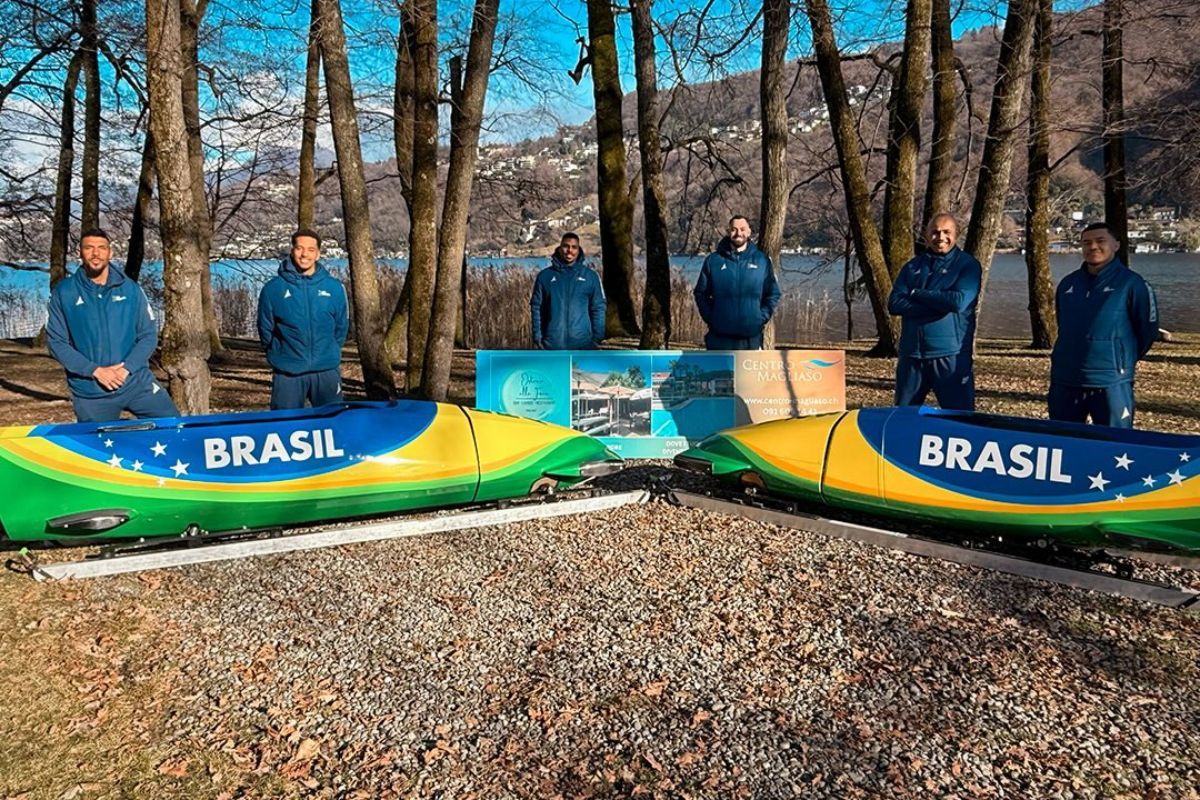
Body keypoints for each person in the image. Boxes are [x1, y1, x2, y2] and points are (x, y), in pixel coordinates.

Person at [46, 228, 180, 422]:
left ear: (110, 252)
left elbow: (148, 335)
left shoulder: (131, 289)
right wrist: (96, 371)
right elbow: (57, 343)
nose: (95, 253)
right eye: (89, 248)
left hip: (136, 382)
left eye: (101, 248)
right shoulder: (63, 293)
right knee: (96, 450)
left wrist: (126, 368)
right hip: (91, 391)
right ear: (79, 253)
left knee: (172, 428)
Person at [1048, 222, 1158, 428]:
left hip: (1111, 381)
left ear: (1116, 245)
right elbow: (1063, 324)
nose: (1093, 247)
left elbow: (1147, 330)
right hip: (1066, 378)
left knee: (1114, 446)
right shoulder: (1068, 284)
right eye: (1086, 243)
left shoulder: (1132, 284)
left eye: (1100, 241)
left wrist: (1120, 358)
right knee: (1063, 445)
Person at [886, 213, 982, 411]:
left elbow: (957, 302)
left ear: (956, 234)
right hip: (912, 354)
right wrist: (938, 304)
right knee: (902, 417)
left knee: (960, 420)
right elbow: (894, 303)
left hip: (949, 354)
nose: (941, 237)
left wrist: (916, 293)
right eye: (935, 232)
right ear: (927, 234)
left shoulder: (967, 266)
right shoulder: (913, 266)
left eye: (947, 232)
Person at [256, 229, 349, 409]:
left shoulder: (335, 288)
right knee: (285, 428)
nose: (304, 254)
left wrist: (328, 351)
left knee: (332, 426)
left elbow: (341, 327)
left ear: (318, 254)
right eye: (299, 248)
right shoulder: (272, 289)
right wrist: (281, 354)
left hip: (326, 372)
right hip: (288, 374)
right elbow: (265, 329)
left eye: (311, 249)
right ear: (292, 251)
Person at [693, 215, 781, 350]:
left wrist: (760, 318)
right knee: (718, 372)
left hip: (751, 340)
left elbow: (773, 293)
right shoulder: (713, 261)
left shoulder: (762, 261)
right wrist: (712, 318)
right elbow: (700, 293)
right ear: (728, 232)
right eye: (734, 229)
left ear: (749, 232)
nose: (738, 233)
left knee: (749, 372)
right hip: (719, 339)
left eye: (742, 229)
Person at [530, 232, 606, 350]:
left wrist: (598, 337)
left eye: (574, 247)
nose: (569, 250)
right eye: (566, 246)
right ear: (560, 248)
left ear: (578, 250)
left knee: (579, 370)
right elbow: (536, 308)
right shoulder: (544, 276)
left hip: (583, 346)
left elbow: (598, 307)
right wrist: (537, 337)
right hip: (552, 345)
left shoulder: (590, 276)